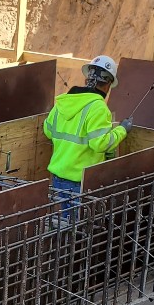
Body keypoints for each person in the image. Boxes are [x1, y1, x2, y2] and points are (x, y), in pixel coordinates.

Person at [43, 55, 131, 221]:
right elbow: (100, 144)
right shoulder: (98, 108)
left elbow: (48, 131)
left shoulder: (63, 102)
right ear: (108, 84)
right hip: (80, 182)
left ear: (87, 78)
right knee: (80, 233)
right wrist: (122, 130)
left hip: (57, 178)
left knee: (63, 226)